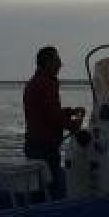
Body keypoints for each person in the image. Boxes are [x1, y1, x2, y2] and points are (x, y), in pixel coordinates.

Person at [23, 45, 85, 200]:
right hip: (44, 148)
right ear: (48, 62)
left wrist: (69, 112)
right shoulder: (46, 83)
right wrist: (74, 126)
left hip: (34, 144)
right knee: (50, 188)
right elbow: (53, 117)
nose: (60, 64)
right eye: (57, 60)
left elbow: (46, 113)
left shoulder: (34, 82)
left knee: (39, 189)